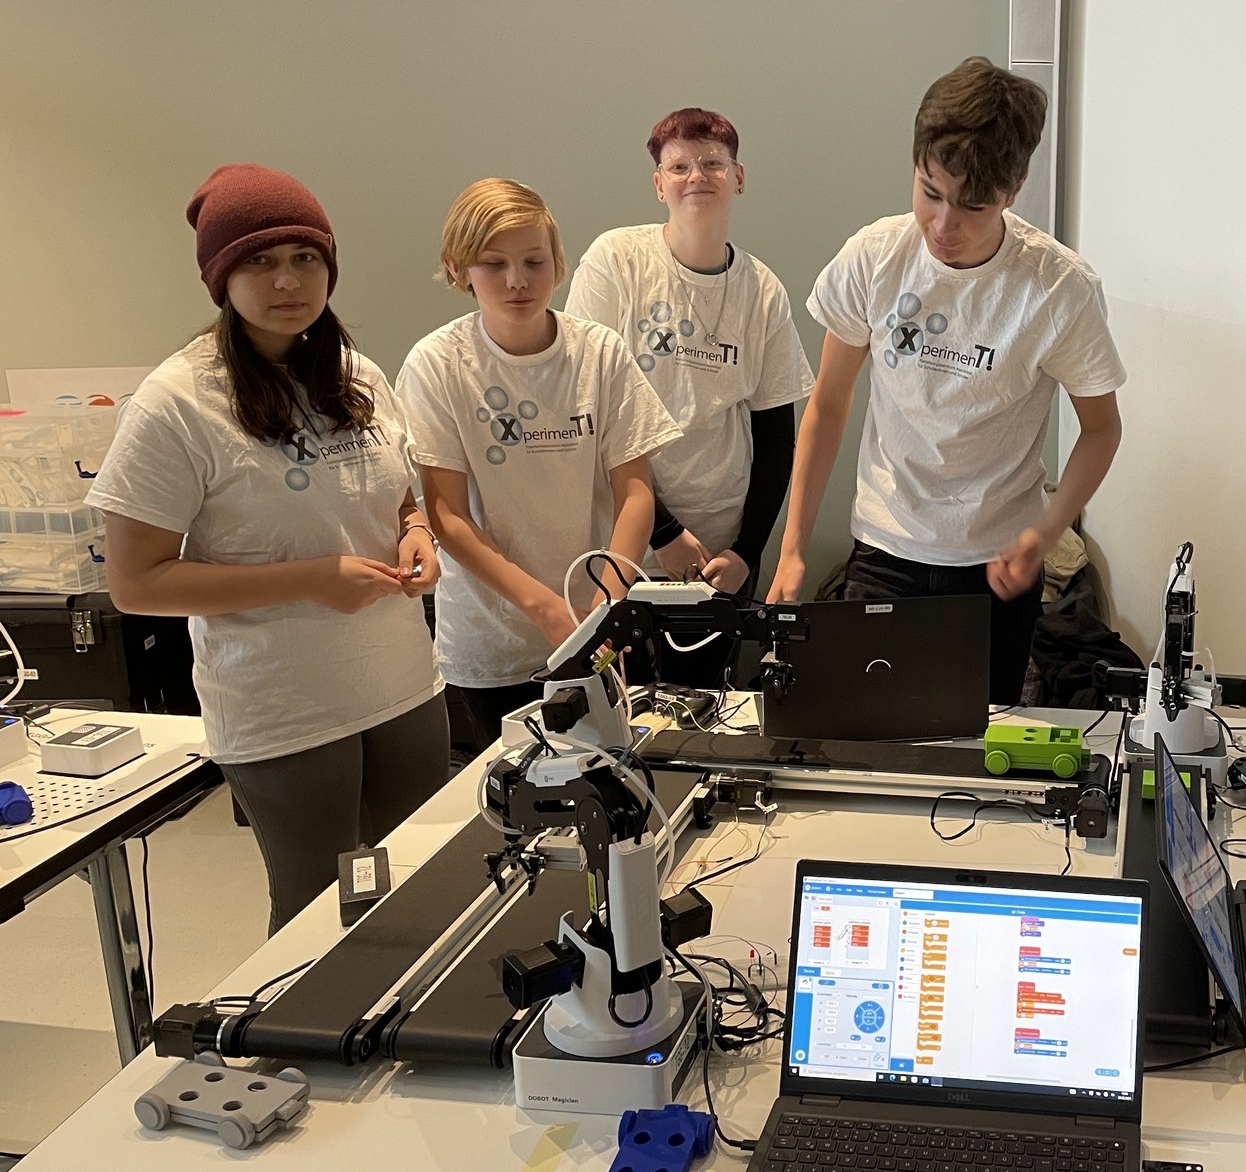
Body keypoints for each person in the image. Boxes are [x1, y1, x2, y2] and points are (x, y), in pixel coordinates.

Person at [88, 164, 449, 933]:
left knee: (420, 887)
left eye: (305, 257)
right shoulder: (177, 403)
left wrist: (416, 532)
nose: (288, 279)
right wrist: (310, 579)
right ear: (221, 276)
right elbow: (136, 583)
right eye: (260, 260)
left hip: (401, 683)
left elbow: (397, 493)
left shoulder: (355, 373)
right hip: (284, 708)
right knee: (318, 912)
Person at [767, 57, 1125, 704]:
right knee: (868, 732)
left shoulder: (1059, 289)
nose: (942, 224)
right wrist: (793, 548)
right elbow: (828, 404)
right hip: (884, 548)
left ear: (1014, 189)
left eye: (972, 206)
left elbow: (1101, 430)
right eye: (929, 192)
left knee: (979, 746)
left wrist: (1045, 532)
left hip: (995, 568)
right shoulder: (875, 257)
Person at [396, 178, 677, 751]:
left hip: (599, 626)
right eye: (494, 264)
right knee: (514, 794)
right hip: (492, 646)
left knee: (617, 774)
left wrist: (607, 601)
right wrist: (546, 607)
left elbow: (635, 493)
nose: (518, 280)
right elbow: (448, 517)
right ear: (457, 270)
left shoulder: (599, 352)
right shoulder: (438, 364)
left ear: (558, 262)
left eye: (533, 261)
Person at [565, 108, 815, 600]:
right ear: (659, 185)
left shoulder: (762, 290)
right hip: (625, 545)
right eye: (679, 167)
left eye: (712, 163)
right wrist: (662, 533)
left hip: (722, 554)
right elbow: (589, 411)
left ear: (738, 177)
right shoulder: (615, 261)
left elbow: (775, 438)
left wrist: (747, 552)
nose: (696, 176)